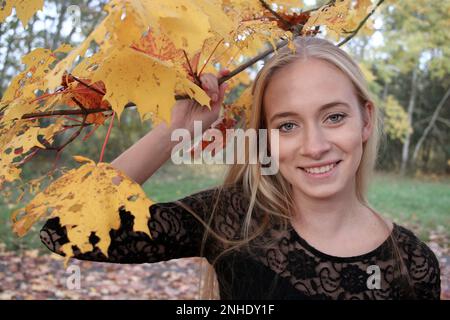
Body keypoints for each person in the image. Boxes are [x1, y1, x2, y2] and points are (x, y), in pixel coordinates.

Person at [40, 37, 441, 300]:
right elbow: (62, 230)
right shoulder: (233, 219)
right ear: (265, 137)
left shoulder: (412, 263)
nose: (315, 146)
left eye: (334, 117)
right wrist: (174, 129)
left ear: (366, 120)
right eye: (287, 125)